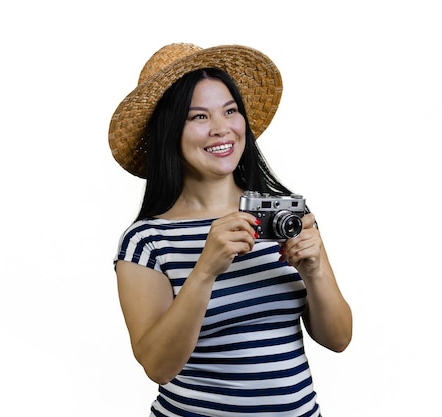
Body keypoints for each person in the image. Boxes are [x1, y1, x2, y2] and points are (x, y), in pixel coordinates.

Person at [109, 43, 352, 417]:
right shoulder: (147, 240)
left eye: (230, 111)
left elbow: (338, 339)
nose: (221, 129)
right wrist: (205, 270)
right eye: (199, 117)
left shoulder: (286, 217)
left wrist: (315, 272)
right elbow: (157, 366)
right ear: (170, 131)